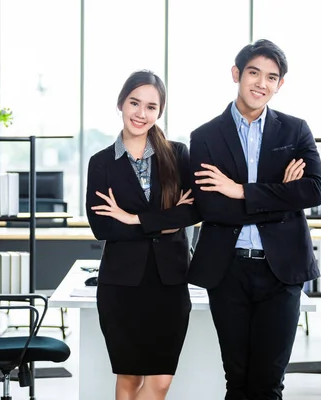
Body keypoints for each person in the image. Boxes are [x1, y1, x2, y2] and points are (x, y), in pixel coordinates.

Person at [188, 39, 321, 399]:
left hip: (281, 273)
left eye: (271, 77)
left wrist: (240, 190)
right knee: (237, 380)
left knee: (268, 383)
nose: (261, 83)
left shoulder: (295, 131)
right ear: (236, 74)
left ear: (280, 85)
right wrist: (279, 193)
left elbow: (313, 191)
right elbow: (210, 207)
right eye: (253, 73)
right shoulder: (204, 137)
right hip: (228, 271)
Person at [85, 70, 201, 400]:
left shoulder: (178, 156)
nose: (141, 113)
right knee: (129, 378)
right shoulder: (102, 163)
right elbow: (103, 227)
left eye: (151, 106)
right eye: (135, 103)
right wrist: (166, 221)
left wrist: (132, 218)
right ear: (121, 103)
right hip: (121, 285)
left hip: (170, 282)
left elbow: (194, 211)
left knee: (161, 380)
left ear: (159, 112)